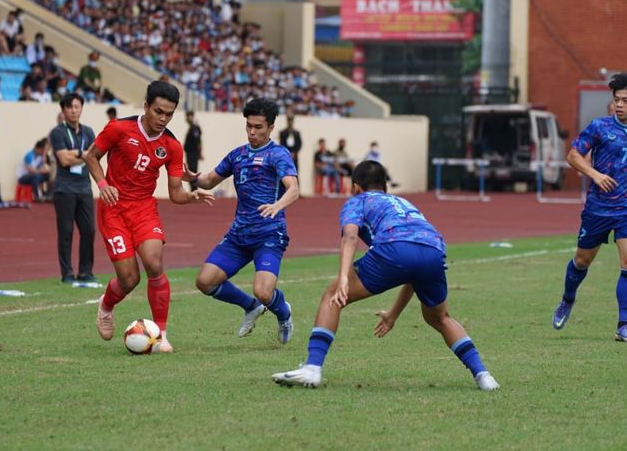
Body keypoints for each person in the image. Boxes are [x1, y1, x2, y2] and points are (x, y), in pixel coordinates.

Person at [272, 160, 500, 390]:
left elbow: (350, 237)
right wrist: (392, 315)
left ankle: (312, 368)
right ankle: (484, 376)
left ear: (355, 187)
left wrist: (343, 277)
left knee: (332, 296)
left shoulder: (357, 201)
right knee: (439, 317)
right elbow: (413, 271)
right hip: (434, 250)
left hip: (394, 249)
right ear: (385, 187)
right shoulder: (404, 202)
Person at [86, 80, 214, 353]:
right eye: (158, 111)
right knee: (129, 279)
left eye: (169, 114)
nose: (163, 118)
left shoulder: (172, 146)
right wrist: (103, 185)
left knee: (154, 264)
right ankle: (106, 305)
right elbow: (92, 156)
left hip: (144, 208)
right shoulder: (119, 129)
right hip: (114, 209)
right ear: (146, 106)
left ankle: (161, 336)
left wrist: (192, 196)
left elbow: (176, 193)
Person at [188, 98, 299, 344]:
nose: (252, 132)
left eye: (258, 127)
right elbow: (208, 181)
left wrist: (278, 205)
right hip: (239, 235)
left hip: (269, 235)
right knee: (204, 282)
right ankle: (250, 307)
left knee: (264, 291)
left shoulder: (278, 154)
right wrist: (190, 176)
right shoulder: (237, 155)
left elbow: (293, 188)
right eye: (249, 126)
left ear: (270, 127)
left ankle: (284, 313)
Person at [552, 73, 627, 342]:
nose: (620, 105)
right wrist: (594, 174)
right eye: (617, 100)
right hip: (598, 208)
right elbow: (573, 156)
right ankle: (567, 300)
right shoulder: (599, 127)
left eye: (625, 101)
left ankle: (623, 325)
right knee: (582, 261)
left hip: (625, 211)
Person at [49, 93, 96, 284]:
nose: (73, 110)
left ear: (81, 108)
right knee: (66, 231)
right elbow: (63, 159)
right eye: (69, 107)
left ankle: (85, 271)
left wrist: (77, 154)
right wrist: (83, 154)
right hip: (65, 188)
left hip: (84, 187)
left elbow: (94, 157)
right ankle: (67, 273)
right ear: (63, 110)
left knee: (89, 230)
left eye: (77, 106)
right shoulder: (58, 132)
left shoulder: (89, 132)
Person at [183, 110, 202, 190]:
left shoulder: (194, 128)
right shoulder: (191, 128)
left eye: (189, 116)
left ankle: (194, 190)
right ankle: (193, 189)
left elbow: (198, 141)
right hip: (190, 153)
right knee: (191, 171)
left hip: (193, 154)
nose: (188, 118)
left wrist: (200, 153)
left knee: (192, 172)